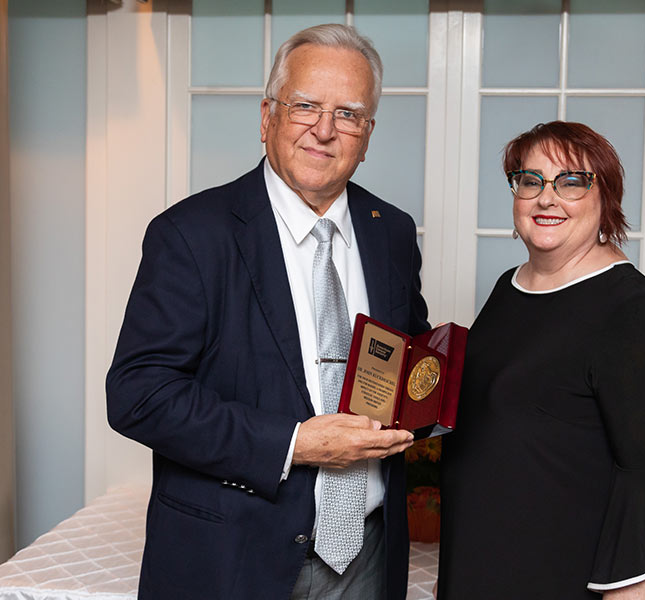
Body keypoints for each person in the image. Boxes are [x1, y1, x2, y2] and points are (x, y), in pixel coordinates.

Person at [106, 24, 428, 600]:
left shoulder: (393, 233)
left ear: (368, 133)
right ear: (267, 117)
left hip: (369, 553)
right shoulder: (191, 234)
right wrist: (295, 444)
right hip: (232, 559)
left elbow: (406, 360)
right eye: (305, 105)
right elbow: (138, 394)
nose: (324, 130)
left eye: (348, 114)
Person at [437, 121, 645, 599]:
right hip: (477, 572)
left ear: (606, 197)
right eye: (531, 180)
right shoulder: (509, 289)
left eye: (572, 182)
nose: (547, 198)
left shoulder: (634, 313)